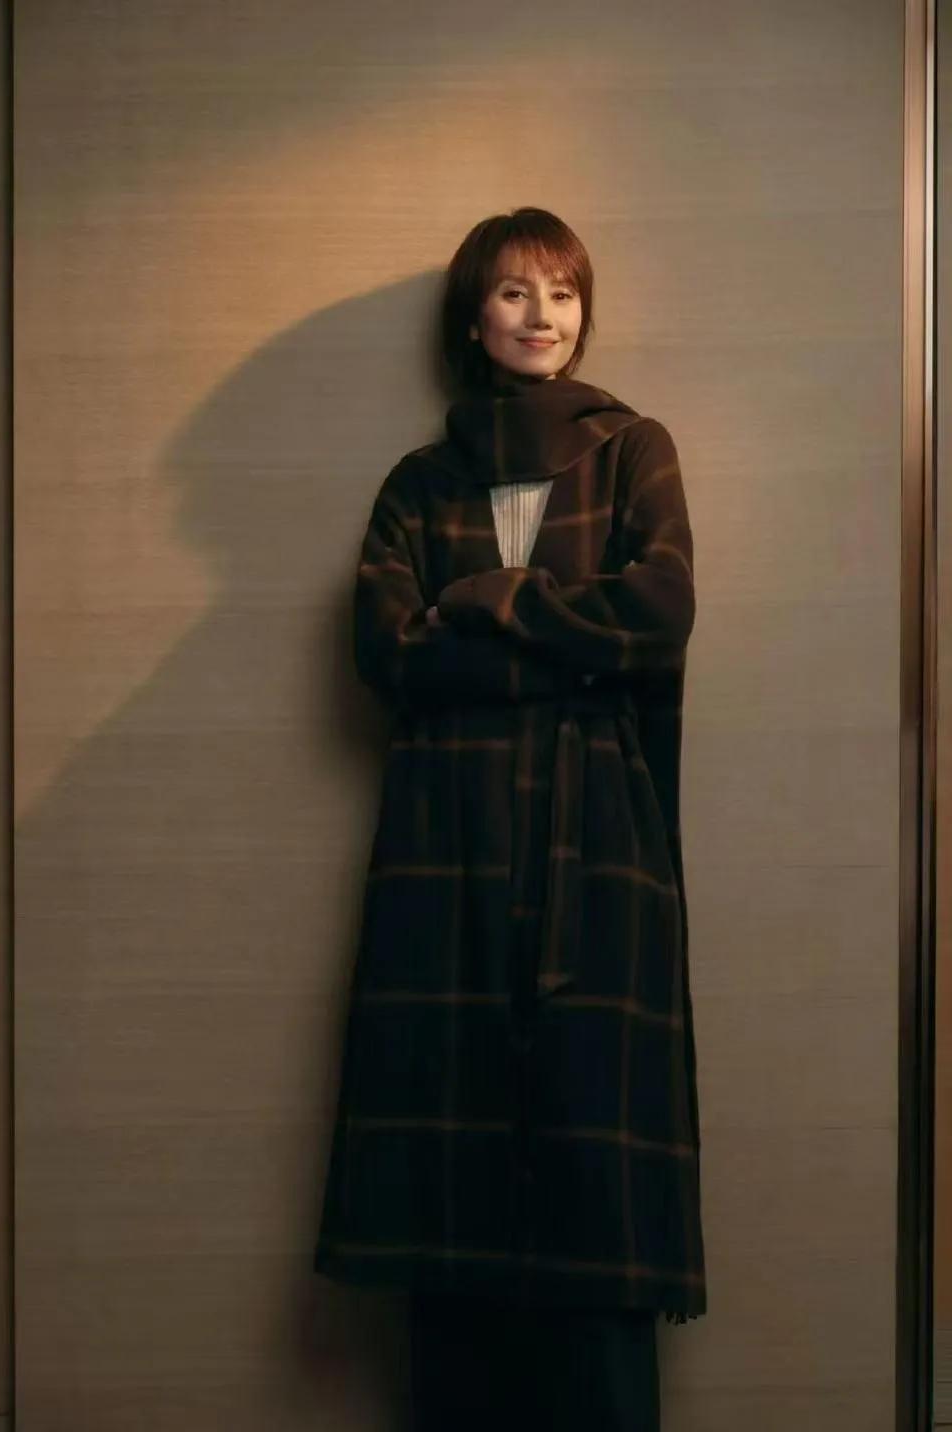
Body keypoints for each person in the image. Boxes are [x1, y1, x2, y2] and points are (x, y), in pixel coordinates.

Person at [314, 207, 706, 1429]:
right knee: (450, 1160)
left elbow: (658, 612)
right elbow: (390, 650)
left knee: (595, 1147)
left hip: (601, 832)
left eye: (561, 293)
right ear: (471, 317)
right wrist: (564, 638)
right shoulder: (418, 481)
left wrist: (490, 600)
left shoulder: (631, 448)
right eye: (512, 293)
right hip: (446, 840)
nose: (541, 317)